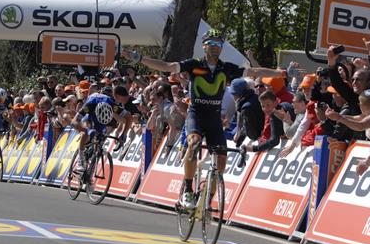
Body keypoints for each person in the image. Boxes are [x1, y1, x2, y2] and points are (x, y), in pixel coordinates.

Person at [123, 29, 282, 209]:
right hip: (196, 114)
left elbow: (254, 71)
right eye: (211, 44)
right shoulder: (194, 65)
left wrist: (279, 73)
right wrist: (139, 58)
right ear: (204, 46)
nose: (215, 48)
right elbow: (167, 66)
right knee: (194, 143)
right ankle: (188, 190)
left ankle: (207, 201)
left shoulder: (227, 68)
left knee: (221, 160)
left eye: (219, 44)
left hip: (214, 117)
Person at [72, 88, 131, 170]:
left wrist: (124, 134)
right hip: (90, 115)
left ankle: (92, 165)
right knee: (87, 132)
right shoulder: (89, 105)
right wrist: (83, 130)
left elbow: (129, 117)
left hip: (104, 114)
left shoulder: (112, 105)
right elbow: (74, 121)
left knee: (100, 136)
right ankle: (80, 159)